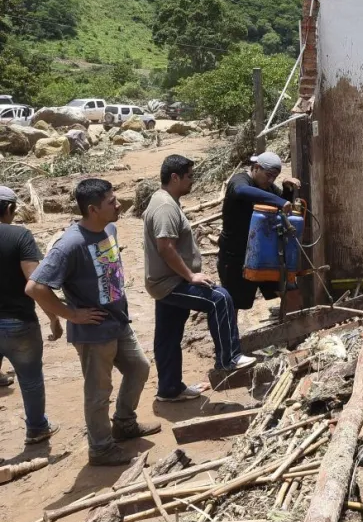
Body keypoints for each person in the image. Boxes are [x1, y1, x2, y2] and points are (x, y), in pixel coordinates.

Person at [26, 179, 159, 466]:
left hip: (118, 322)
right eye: (111, 201)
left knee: (139, 368)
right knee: (98, 392)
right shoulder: (69, 244)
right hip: (93, 331)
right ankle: (100, 448)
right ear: (92, 209)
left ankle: (124, 423)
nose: (118, 204)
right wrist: (71, 315)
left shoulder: (109, 228)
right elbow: (35, 288)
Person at [144, 155, 255, 401]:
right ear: (175, 177)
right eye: (189, 177)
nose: (192, 181)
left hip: (163, 281)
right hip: (170, 283)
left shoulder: (165, 201)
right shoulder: (165, 207)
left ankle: (169, 389)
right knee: (220, 298)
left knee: (168, 336)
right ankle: (229, 358)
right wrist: (190, 275)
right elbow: (165, 247)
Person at [0, 186, 60, 444]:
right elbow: (35, 283)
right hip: (18, 323)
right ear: (10, 209)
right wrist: (54, 319)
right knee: (31, 378)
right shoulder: (20, 236)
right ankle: (37, 428)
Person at [218, 152, 300, 310]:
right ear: (256, 168)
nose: (270, 180)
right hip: (236, 256)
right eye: (268, 175)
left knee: (288, 290)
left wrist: (286, 190)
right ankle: (230, 335)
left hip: (264, 253)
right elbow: (242, 191)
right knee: (233, 304)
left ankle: (299, 328)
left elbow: (282, 207)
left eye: (274, 177)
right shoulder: (240, 180)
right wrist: (279, 200)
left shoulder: (267, 187)